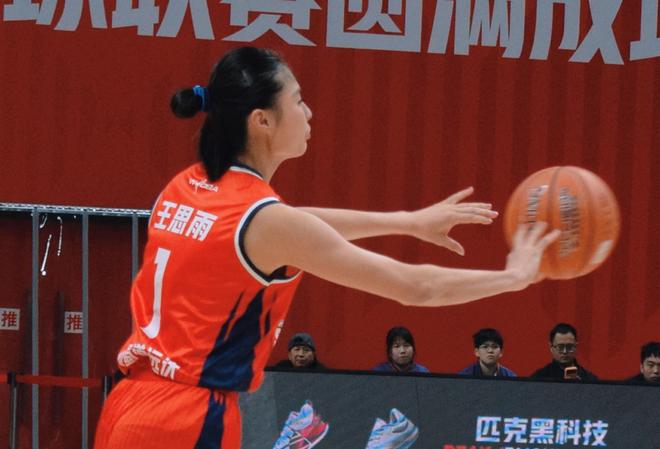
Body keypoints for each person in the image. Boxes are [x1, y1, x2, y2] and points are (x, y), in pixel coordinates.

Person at [93, 46, 559, 449]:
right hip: (187, 420)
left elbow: (294, 225)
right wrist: (513, 276)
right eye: (297, 100)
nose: (309, 112)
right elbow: (414, 286)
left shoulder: (185, 186)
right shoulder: (266, 221)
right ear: (262, 121)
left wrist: (407, 222)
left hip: (129, 404)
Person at [530, 323, 598, 381]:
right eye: (560, 347)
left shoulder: (588, 380)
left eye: (569, 347)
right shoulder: (539, 379)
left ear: (575, 346)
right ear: (551, 347)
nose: (565, 351)